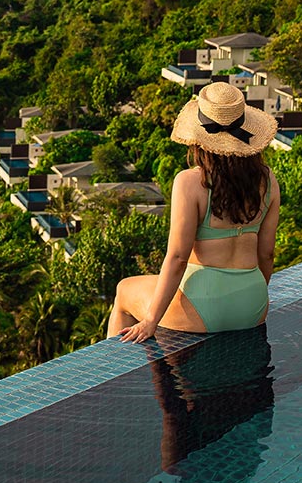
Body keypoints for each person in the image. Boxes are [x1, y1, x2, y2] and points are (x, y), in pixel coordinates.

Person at [112, 82, 279, 342]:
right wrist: (251, 295)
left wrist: (150, 321)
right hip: (253, 304)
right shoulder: (268, 180)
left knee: (124, 290)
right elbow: (267, 253)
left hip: (204, 305)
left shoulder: (190, 182)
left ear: (198, 139)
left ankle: (115, 378)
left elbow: (178, 258)